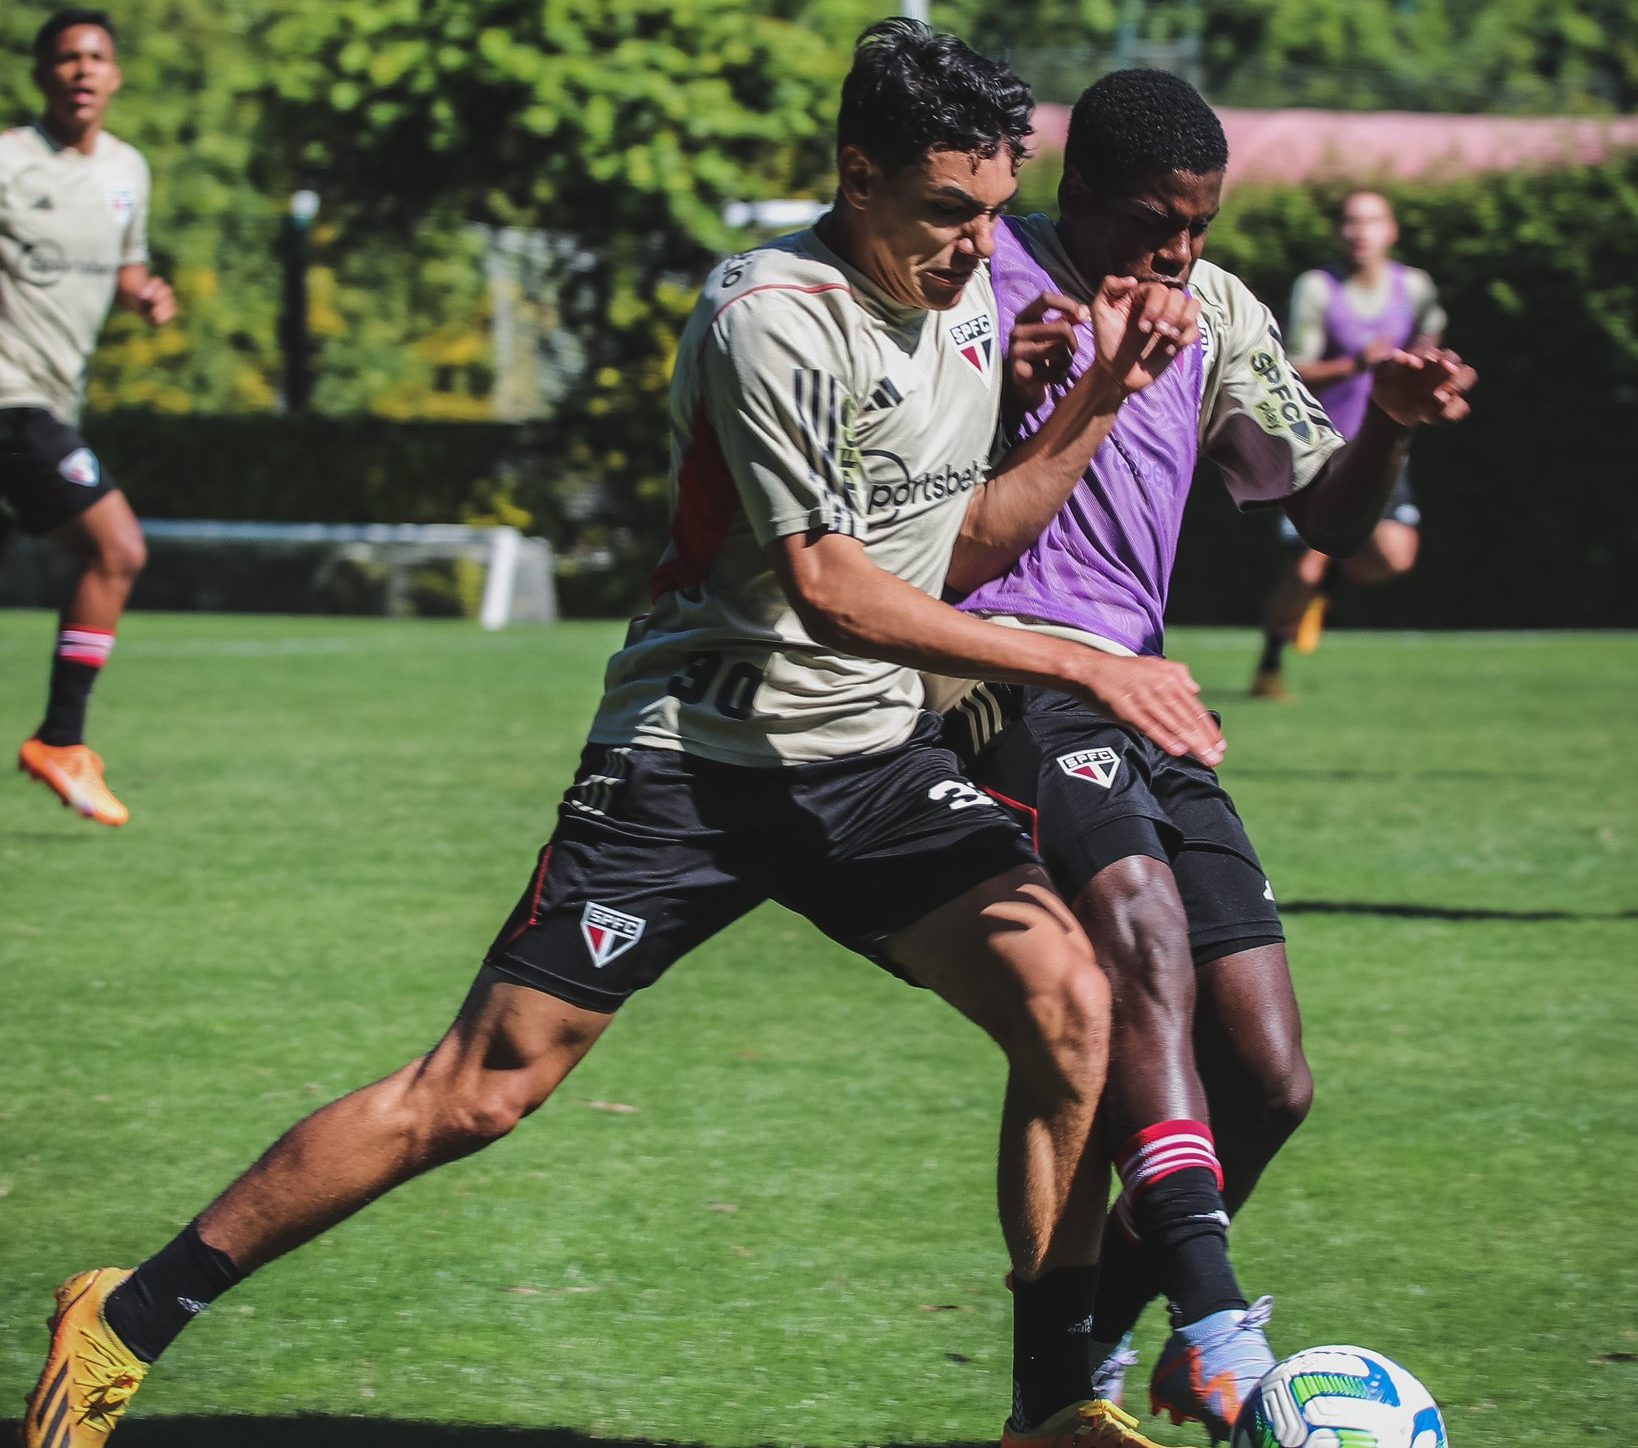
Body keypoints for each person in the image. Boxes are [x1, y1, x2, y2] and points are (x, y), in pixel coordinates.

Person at [20, 23, 1222, 1448]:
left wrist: (1095, 400)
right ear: (855, 174)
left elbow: (957, 549)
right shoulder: (769, 313)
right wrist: (1078, 661)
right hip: (691, 767)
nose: (974, 250)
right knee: (474, 1093)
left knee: (1069, 1006)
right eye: (942, 213)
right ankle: (127, 1316)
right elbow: (832, 590)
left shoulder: (957, 303)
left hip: (867, 764)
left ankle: (1048, 1416)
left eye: (989, 212)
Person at [934, 70, 1475, 1443]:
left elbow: (1326, 519)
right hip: (1002, 682)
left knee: (1269, 1078)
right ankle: (1220, 1327)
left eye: (1198, 224)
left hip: (1146, 698)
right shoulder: (982, 282)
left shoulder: (1219, 309)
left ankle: (1100, 1359)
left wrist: (1389, 432)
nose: (1176, 250)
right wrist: (1031, 382)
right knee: (1134, 928)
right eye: (1150, 222)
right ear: (1080, 192)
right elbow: (909, 502)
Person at [1, 8, 175, 826]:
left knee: (104, 554)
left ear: (115, 76)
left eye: (95, 58)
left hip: (47, 401)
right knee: (118, 546)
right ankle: (62, 740)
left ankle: (61, 740)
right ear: (42, 75)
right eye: (66, 58)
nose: (81, 70)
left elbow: (127, 263)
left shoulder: (128, 171)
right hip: (10, 398)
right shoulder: (7, 163)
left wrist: (144, 291)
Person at [1250, 189, 1447, 698]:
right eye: (1351, 222)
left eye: (1372, 221)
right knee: (1307, 562)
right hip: (1317, 445)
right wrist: (1356, 364)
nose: (1361, 231)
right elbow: (1290, 372)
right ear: (1339, 232)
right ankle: (1269, 666)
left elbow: (1430, 341)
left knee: (1395, 556)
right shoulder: (1316, 289)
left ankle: (1326, 587)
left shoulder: (1415, 288)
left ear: (1392, 230)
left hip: (1381, 445)